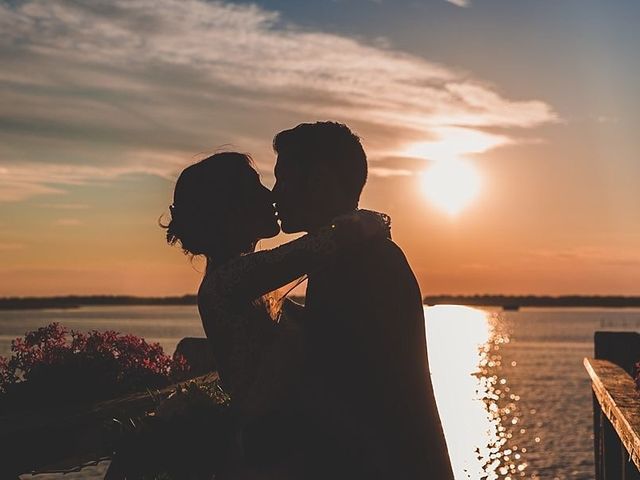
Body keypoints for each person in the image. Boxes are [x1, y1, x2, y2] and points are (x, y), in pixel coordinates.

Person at [164, 151, 390, 477]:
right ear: (230, 208)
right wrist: (377, 221)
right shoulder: (229, 280)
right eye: (255, 187)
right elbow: (321, 245)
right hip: (270, 457)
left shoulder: (249, 283)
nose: (271, 195)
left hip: (278, 448)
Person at [272, 122, 454, 479]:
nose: (274, 194)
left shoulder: (356, 261)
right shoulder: (356, 253)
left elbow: (353, 385)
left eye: (283, 178)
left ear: (319, 180)